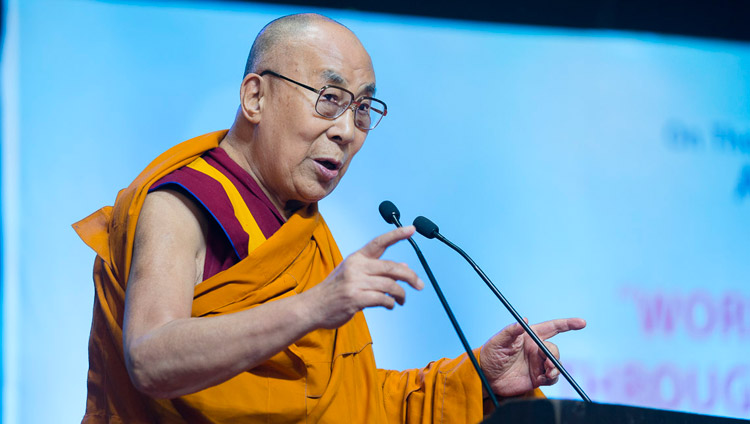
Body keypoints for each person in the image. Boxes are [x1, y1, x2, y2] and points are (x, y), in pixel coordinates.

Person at [74, 13, 585, 423]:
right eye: (330, 99)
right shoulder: (183, 204)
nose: (347, 130)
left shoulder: (301, 231)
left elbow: (351, 407)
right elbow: (150, 357)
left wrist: (477, 378)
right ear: (255, 96)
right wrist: (317, 305)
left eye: (362, 110)